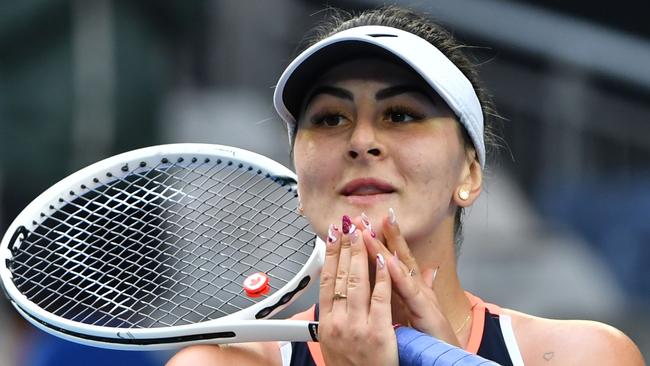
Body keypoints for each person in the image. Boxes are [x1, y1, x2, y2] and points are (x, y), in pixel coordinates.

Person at [167, 6, 645, 366]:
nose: (361, 141)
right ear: (300, 182)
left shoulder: (584, 356)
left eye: (401, 115)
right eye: (330, 119)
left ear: (470, 175)